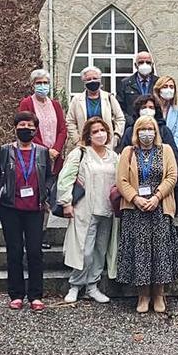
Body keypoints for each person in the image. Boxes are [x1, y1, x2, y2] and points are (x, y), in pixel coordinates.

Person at [0, 111, 55, 311]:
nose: (26, 128)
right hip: (11, 208)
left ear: (36, 129)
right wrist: (0, 189)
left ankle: (35, 295)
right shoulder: (5, 150)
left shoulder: (43, 152)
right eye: (22, 125)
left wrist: (47, 190)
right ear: (15, 127)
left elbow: (50, 176)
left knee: (35, 251)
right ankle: (16, 294)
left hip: (35, 209)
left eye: (31, 125)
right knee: (14, 251)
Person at [117, 116, 178, 313]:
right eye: (142, 128)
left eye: (150, 128)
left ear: (156, 131)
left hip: (160, 207)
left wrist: (157, 197)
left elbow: (172, 176)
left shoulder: (166, 150)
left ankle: (159, 294)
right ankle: (143, 295)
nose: (147, 132)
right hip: (135, 210)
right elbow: (121, 180)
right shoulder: (128, 152)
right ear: (136, 132)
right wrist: (136, 198)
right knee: (140, 252)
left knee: (160, 251)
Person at [57, 117, 121, 304]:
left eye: (102, 130)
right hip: (85, 210)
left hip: (107, 210)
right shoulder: (80, 153)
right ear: (88, 135)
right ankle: (75, 285)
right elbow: (65, 178)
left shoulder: (113, 156)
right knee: (84, 251)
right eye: (95, 131)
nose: (100, 134)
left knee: (100, 250)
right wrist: (66, 202)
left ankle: (93, 286)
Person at [17, 69, 67, 174]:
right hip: (35, 154)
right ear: (33, 85)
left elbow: (62, 129)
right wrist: (46, 151)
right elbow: (26, 129)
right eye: (39, 83)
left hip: (55, 155)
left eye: (45, 83)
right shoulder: (26, 103)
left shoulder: (55, 105)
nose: (42, 86)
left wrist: (56, 149)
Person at [66, 66, 126, 149]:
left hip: (106, 144)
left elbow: (120, 119)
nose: (92, 81)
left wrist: (116, 137)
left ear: (100, 79)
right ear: (84, 82)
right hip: (84, 144)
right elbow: (70, 122)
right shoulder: (76, 100)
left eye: (95, 78)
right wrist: (77, 140)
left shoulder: (109, 98)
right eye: (88, 79)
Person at [154, 75, 178, 211]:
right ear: (158, 89)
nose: (168, 90)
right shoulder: (151, 108)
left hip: (172, 152)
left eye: (171, 87)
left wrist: (171, 152)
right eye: (165, 87)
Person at [117, 51, 158, 115]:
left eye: (148, 62)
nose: (145, 65)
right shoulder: (125, 83)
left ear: (152, 65)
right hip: (133, 123)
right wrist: (130, 122)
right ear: (136, 65)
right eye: (141, 62)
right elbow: (119, 107)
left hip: (153, 122)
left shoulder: (158, 82)